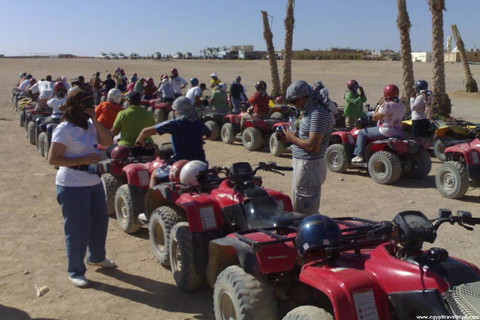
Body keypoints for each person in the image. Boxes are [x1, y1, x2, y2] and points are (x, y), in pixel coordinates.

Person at [47, 90, 115, 288]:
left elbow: (108, 142)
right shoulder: (64, 129)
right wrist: (82, 160)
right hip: (71, 185)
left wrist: (95, 118)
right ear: (75, 107)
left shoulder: (90, 125)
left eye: (90, 105)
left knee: (99, 222)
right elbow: (53, 159)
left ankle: (97, 257)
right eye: (85, 106)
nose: (88, 109)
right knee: (77, 229)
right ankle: (75, 270)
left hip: (93, 182)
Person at [281, 80, 334, 215]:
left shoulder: (318, 112)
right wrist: (290, 138)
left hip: (309, 166)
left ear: (303, 98)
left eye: (294, 101)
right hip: (304, 165)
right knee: (298, 205)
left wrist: (292, 138)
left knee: (305, 211)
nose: (294, 105)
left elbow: (312, 146)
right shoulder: (309, 110)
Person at [135, 96, 211, 187]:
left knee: (155, 175)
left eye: (175, 110)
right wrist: (200, 139)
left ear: (178, 111)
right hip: (200, 164)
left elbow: (145, 131)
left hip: (180, 164)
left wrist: (139, 141)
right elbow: (211, 134)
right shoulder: (199, 124)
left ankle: (149, 199)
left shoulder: (174, 124)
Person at [351, 84, 406, 163]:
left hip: (386, 130)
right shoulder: (401, 105)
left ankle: (359, 155)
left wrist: (379, 105)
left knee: (362, 133)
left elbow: (375, 117)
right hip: (398, 130)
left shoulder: (387, 105)